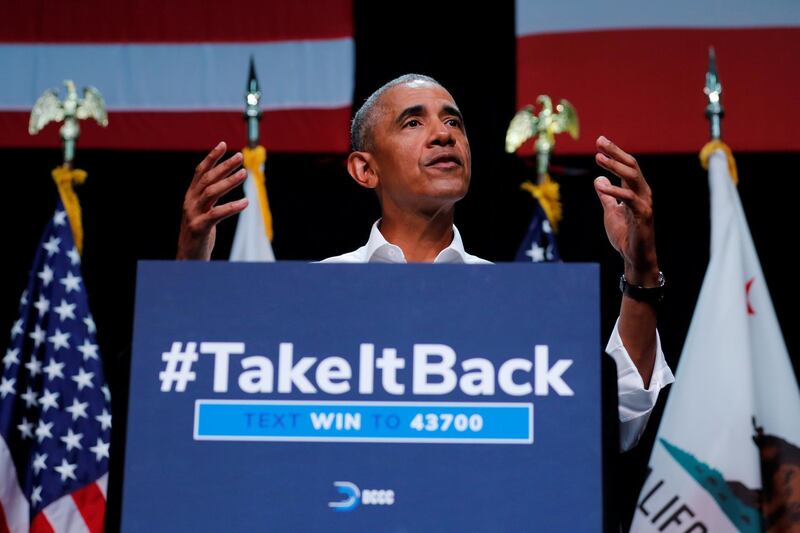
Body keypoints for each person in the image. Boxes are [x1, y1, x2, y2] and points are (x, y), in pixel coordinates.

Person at [177, 74, 674, 451]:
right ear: (364, 169)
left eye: (453, 121)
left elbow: (617, 419)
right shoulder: (313, 291)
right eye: (414, 122)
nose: (443, 135)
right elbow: (206, 411)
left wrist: (641, 267)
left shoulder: (516, 301)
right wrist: (187, 276)